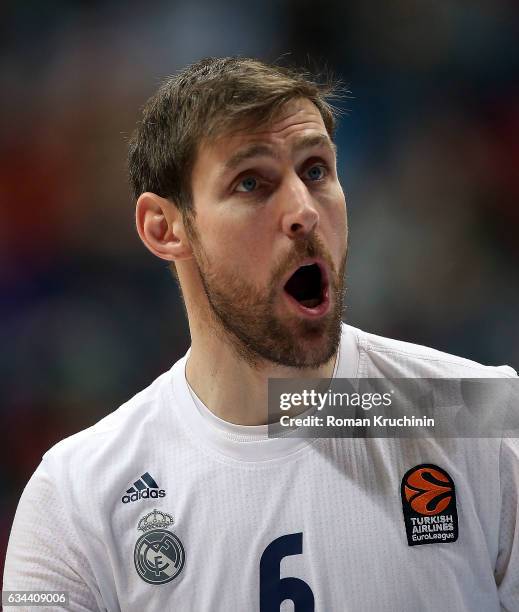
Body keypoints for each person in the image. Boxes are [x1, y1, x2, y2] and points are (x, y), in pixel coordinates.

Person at [3, 57, 518, 611]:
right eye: (252, 183)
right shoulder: (78, 495)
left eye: (316, 170)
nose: (303, 211)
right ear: (164, 226)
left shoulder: (474, 412)